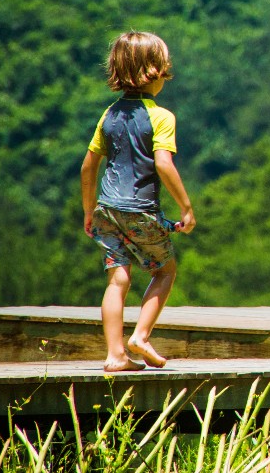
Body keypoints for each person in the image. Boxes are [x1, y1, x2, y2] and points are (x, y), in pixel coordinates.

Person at [81, 31, 196, 372]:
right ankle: (141, 337)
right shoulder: (161, 117)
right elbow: (163, 164)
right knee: (164, 271)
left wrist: (88, 210)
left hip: (106, 210)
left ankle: (115, 355)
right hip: (140, 211)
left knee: (117, 281)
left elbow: (89, 166)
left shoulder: (109, 115)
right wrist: (186, 207)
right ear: (155, 73)